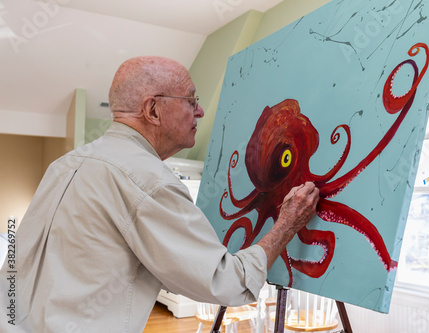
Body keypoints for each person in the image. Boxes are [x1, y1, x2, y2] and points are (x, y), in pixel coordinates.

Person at [0, 56, 319, 332]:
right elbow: (226, 282)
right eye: (192, 101)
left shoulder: (65, 164)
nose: (201, 112)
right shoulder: (146, 179)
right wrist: (287, 224)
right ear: (153, 109)